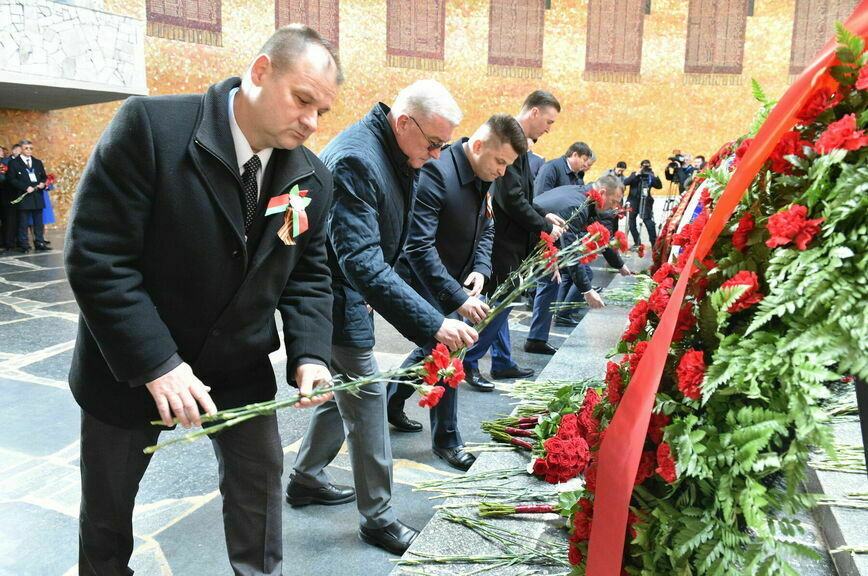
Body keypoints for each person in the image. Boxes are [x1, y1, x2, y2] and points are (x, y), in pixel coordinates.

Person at [64, 26, 341, 576]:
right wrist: (158, 364)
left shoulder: (312, 178)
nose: (311, 121)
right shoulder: (150, 127)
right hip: (131, 365)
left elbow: (307, 273)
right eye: (302, 100)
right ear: (259, 72)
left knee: (259, 492)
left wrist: (311, 353)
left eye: (322, 111)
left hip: (237, 363)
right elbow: (97, 256)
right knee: (107, 512)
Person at [287, 79, 477, 556]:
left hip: (347, 290)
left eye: (443, 145)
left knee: (346, 392)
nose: (436, 155)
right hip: (329, 297)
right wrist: (434, 323)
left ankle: (305, 478)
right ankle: (379, 519)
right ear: (404, 122)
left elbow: (380, 244)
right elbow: (360, 261)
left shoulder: (392, 150)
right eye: (433, 144)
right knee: (368, 399)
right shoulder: (358, 159)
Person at [386, 114, 527, 470]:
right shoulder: (437, 172)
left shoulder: (484, 175)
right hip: (423, 278)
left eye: (508, 165)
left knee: (434, 349)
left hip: (455, 280)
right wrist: (458, 298)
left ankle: (391, 397)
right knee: (448, 350)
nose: (502, 172)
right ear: (478, 146)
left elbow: (488, 227)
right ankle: (447, 440)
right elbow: (418, 247)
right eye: (500, 162)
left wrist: (481, 268)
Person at [462, 90, 564, 387]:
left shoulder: (518, 144)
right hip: (501, 242)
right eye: (549, 121)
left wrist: (544, 215)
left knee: (501, 303)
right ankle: (467, 360)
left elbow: (523, 196)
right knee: (498, 304)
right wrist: (544, 227)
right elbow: (511, 199)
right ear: (534, 112)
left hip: (508, 240)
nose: (549, 129)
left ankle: (502, 362)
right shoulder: (508, 141)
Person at [524, 176, 632, 353]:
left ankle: (536, 339)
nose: (614, 207)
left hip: (542, 240)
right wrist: (587, 290)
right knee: (502, 301)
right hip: (523, 239)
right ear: (602, 192)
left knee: (550, 282)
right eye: (613, 201)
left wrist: (620, 265)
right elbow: (571, 253)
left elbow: (603, 239)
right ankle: (530, 341)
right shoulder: (577, 206)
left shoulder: (586, 199)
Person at [7, 139, 49, 252]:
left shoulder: (37, 162)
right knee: (23, 222)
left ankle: (39, 242)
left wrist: (42, 183)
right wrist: (25, 187)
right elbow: (11, 179)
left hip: (37, 195)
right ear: (21, 149)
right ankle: (24, 244)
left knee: (38, 221)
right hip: (24, 195)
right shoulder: (14, 163)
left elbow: (44, 176)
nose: (29, 150)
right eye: (26, 148)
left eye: (31, 148)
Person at [624, 159, 662, 248]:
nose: (645, 169)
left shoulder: (650, 176)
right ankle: (637, 242)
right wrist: (637, 174)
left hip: (645, 202)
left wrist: (655, 176)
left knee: (648, 221)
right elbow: (625, 182)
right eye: (644, 167)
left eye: (647, 167)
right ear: (640, 166)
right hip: (633, 201)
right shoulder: (635, 174)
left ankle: (654, 243)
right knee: (631, 222)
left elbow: (659, 186)